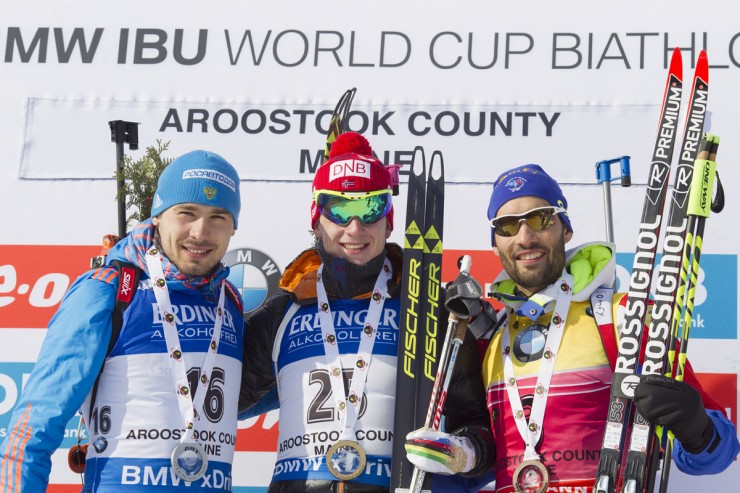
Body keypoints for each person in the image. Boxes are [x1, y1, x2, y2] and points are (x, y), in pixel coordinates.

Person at [412, 163, 738, 492]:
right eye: (508, 225)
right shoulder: (491, 338)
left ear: (565, 229)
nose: (525, 237)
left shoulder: (622, 316)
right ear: (495, 244)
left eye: (540, 218)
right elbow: (483, 463)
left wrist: (697, 430)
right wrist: (459, 456)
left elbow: (721, 453)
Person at [238, 131, 494, 492]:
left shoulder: (429, 314)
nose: (354, 228)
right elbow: (215, 404)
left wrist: (462, 452)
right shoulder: (281, 316)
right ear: (316, 220)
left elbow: (478, 424)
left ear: (388, 221)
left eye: (370, 209)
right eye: (339, 210)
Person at [0, 150, 245, 492]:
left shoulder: (228, 303)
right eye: (186, 213)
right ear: (158, 216)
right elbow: (34, 425)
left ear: (233, 227)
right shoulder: (110, 290)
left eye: (218, 216)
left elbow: (237, 397)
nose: (201, 232)